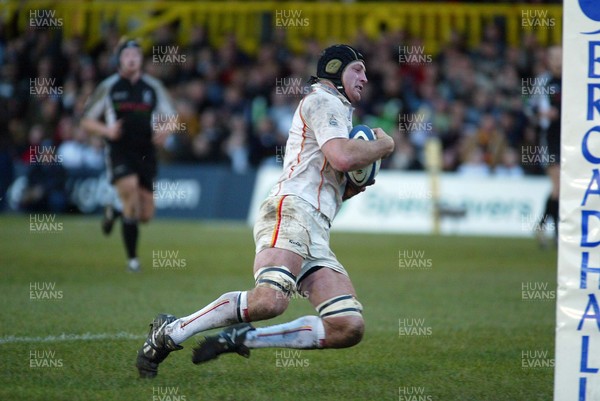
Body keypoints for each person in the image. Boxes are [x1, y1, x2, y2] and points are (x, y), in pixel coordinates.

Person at [135, 44, 395, 378]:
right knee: (271, 300)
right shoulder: (323, 100)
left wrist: (350, 188)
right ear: (335, 71)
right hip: (291, 212)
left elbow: (330, 176)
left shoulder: (339, 112)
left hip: (316, 225)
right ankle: (170, 332)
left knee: (348, 325)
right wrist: (383, 147)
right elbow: (343, 157)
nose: (365, 76)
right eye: (357, 69)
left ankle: (246, 338)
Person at [81, 39, 177, 272]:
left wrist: (164, 132)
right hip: (119, 150)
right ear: (120, 60)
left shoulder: (152, 87)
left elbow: (173, 117)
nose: (132, 58)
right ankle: (133, 260)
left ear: (141, 59)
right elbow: (86, 120)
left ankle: (114, 211)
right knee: (131, 193)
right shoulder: (109, 86)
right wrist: (107, 131)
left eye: (136, 54)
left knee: (145, 214)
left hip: (146, 151)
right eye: (127, 54)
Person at [535, 46, 561, 247]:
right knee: (558, 186)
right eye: (553, 56)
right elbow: (529, 106)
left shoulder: (574, 80)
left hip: (570, 138)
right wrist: (542, 114)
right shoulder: (543, 81)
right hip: (550, 138)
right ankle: (553, 230)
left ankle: (545, 227)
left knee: (561, 188)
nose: (557, 59)